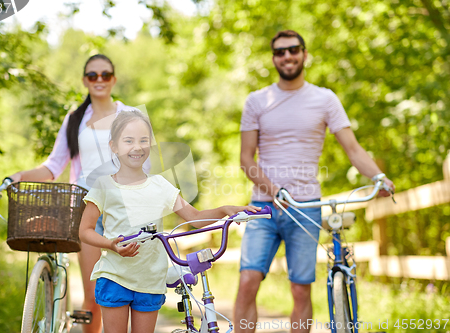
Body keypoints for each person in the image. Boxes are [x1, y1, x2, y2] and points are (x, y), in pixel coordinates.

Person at [234, 30, 395, 333]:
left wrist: (378, 176)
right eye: (280, 52)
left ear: (304, 54)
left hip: (306, 206)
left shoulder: (325, 98)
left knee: (300, 288)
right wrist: (275, 191)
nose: (287, 56)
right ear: (273, 59)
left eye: (293, 50)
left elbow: (353, 148)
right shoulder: (257, 101)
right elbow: (246, 159)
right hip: (263, 208)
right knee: (247, 281)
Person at [79, 110, 260, 333]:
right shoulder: (104, 185)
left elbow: (194, 218)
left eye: (143, 140)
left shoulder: (160, 186)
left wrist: (224, 210)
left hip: (150, 280)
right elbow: (85, 230)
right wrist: (110, 245)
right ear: (114, 146)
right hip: (115, 277)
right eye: (128, 141)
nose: (137, 147)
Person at [7, 54, 138, 333]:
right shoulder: (75, 119)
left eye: (105, 75)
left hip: (122, 209)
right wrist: (19, 176)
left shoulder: (130, 116)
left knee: (123, 293)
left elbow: (143, 164)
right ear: (85, 81)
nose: (99, 80)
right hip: (85, 208)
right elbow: (53, 166)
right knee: (94, 296)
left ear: (113, 79)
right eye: (93, 75)